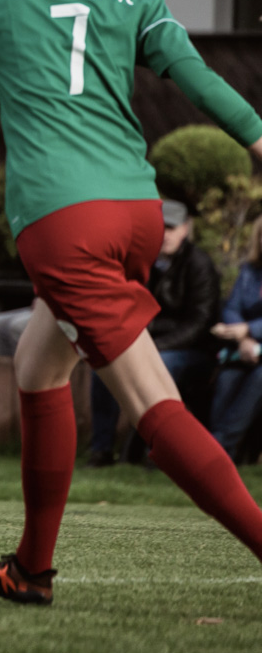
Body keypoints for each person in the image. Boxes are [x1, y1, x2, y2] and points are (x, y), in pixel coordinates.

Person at [0, 0, 262, 604]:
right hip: (138, 212)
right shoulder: (139, 3)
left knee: (150, 401)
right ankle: (31, 570)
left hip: (61, 221)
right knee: (38, 367)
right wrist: (260, 140)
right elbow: (200, 82)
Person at [87, 200, 219, 466]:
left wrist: (158, 346)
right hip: (149, 340)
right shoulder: (142, 260)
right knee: (102, 367)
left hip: (192, 351)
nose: (166, 234)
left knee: (162, 366)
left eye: (172, 228)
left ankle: (149, 451)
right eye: (161, 228)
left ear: (185, 229)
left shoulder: (199, 264)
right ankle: (101, 450)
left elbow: (200, 323)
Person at [208, 220, 262, 462]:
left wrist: (248, 329)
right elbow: (232, 307)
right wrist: (243, 339)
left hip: (256, 349)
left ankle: (219, 449)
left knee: (259, 379)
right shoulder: (249, 271)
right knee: (227, 379)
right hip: (243, 349)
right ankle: (217, 446)